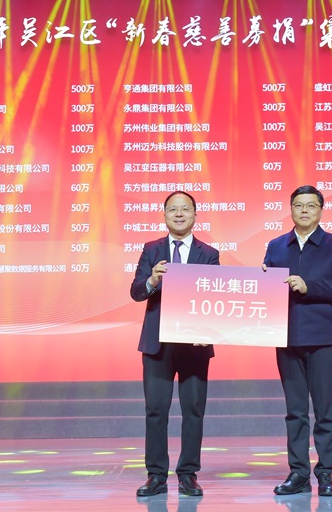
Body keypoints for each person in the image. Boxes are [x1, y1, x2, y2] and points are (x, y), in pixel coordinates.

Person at [262, 185, 332, 497]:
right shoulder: (276, 245)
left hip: (323, 338)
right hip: (286, 337)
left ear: (320, 211)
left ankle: (325, 473)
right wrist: (262, 279)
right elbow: (267, 287)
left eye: (311, 205)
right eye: (298, 205)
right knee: (295, 411)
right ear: (291, 209)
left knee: (325, 411)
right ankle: (299, 473)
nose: (304, 210)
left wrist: (308, 286)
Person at [130, 191, 220, 498]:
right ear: (165, 214)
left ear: (195, 215)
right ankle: (156, 475)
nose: (179, 214)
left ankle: (188, 474)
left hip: (194, 344)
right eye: (173, 209)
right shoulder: (151, 249)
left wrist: (210, 330)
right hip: (158, 344)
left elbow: (215, 297)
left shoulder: (209, 253)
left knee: (194, 410)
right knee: (156, 410)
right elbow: (136, 292)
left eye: (185, 209)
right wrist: (152, 280)